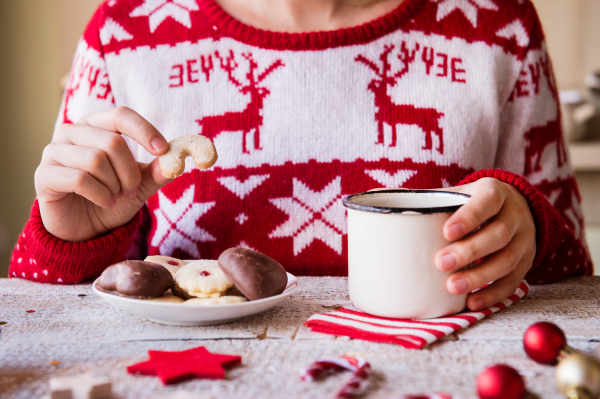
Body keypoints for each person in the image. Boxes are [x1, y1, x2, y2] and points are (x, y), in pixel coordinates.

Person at [9, 0, 593, 311]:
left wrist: (530, 227)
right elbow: (57, 317)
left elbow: (569, 286)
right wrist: (72, 243)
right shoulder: (125, 36)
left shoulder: (497, 25)